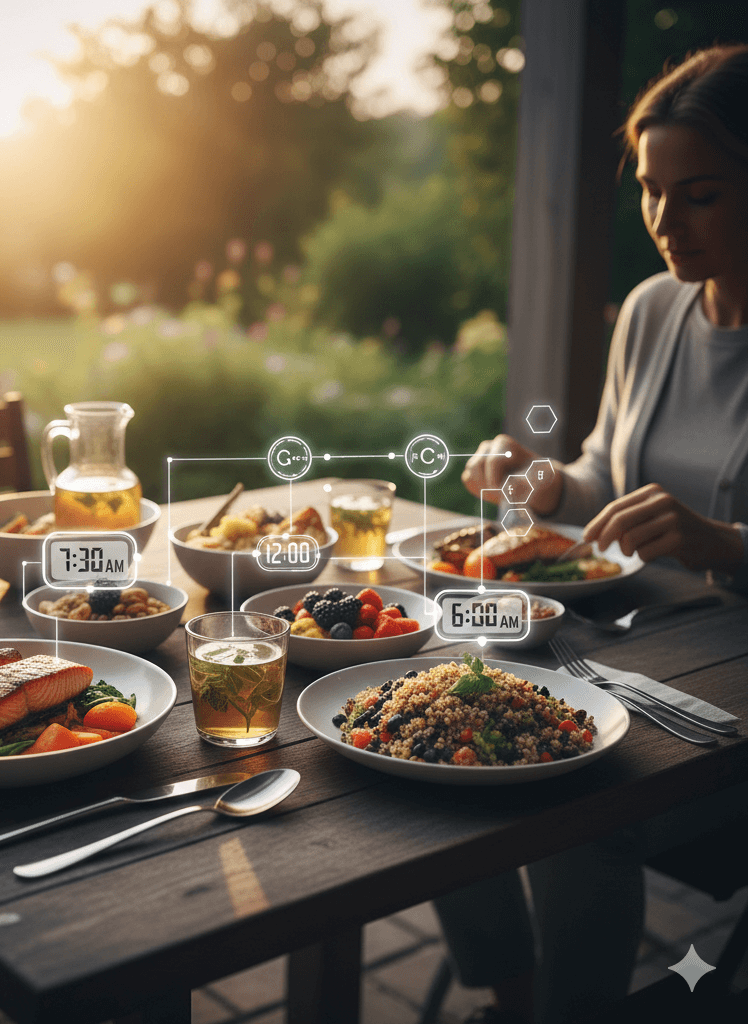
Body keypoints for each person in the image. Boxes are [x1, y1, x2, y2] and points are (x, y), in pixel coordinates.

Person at [433, 44, 748, 1024]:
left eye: (696, 193)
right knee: (447, 729)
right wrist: (539, 482)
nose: (662, 222)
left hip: (732, 710)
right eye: (651, 192)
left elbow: (693, 530)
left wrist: (722, 542)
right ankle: (512, 998)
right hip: (652, 657)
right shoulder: (653, 311)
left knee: (568, 806)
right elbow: (602, 477)